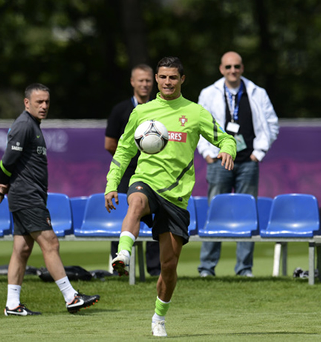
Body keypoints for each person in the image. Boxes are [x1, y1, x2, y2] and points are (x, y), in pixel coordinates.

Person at [105, 57, 236, 337]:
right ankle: (124, 254)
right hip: (145, 181)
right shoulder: (142, 112)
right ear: (155, 79)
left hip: (176, 197)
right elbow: (124, 151)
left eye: (172, 78)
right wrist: (111, 184)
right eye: (162, 77)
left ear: (182, 80)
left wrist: (228, 150)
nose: (166, 82)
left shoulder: (195, 112)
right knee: (136, 202)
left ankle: (159, 317)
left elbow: (226, 139)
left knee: (168, 267)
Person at [0, 83, 100, 315]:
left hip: (28, 196)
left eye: (47, 102)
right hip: (27, 196)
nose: (43, 106)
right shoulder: (24, 125)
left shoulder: (33, 125)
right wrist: (0, 183)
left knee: (21, 250)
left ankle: (12, 304)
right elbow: (7, 159)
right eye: (39, 102)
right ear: (26, 103)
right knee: (50, 243)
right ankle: (71, 297)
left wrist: (4, 186)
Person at [196, 51, 279, 277]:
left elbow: (272, 124)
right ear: (221, 69)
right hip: (218, 161)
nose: (233, 71)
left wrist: (258, 153)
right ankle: (207, 267)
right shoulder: (209, 93)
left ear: (242, 68)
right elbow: (198, 125)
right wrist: (206, 153)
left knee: (246, 213)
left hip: (247, 162)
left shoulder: (256, 92)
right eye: (228, 67)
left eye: (237, 67)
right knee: (216, 211)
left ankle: (244, 268)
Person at [105, 64, 161, 276]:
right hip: (127, 173)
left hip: (154, 172)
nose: (145, 84)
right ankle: (118, 267)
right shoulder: (120, 110)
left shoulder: (159, 108)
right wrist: (128, 160)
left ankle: (155, 269)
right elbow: (110, 143)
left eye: (148, 80)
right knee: (123, 215)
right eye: (141, 80)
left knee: (155, 216)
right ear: (132, 82)